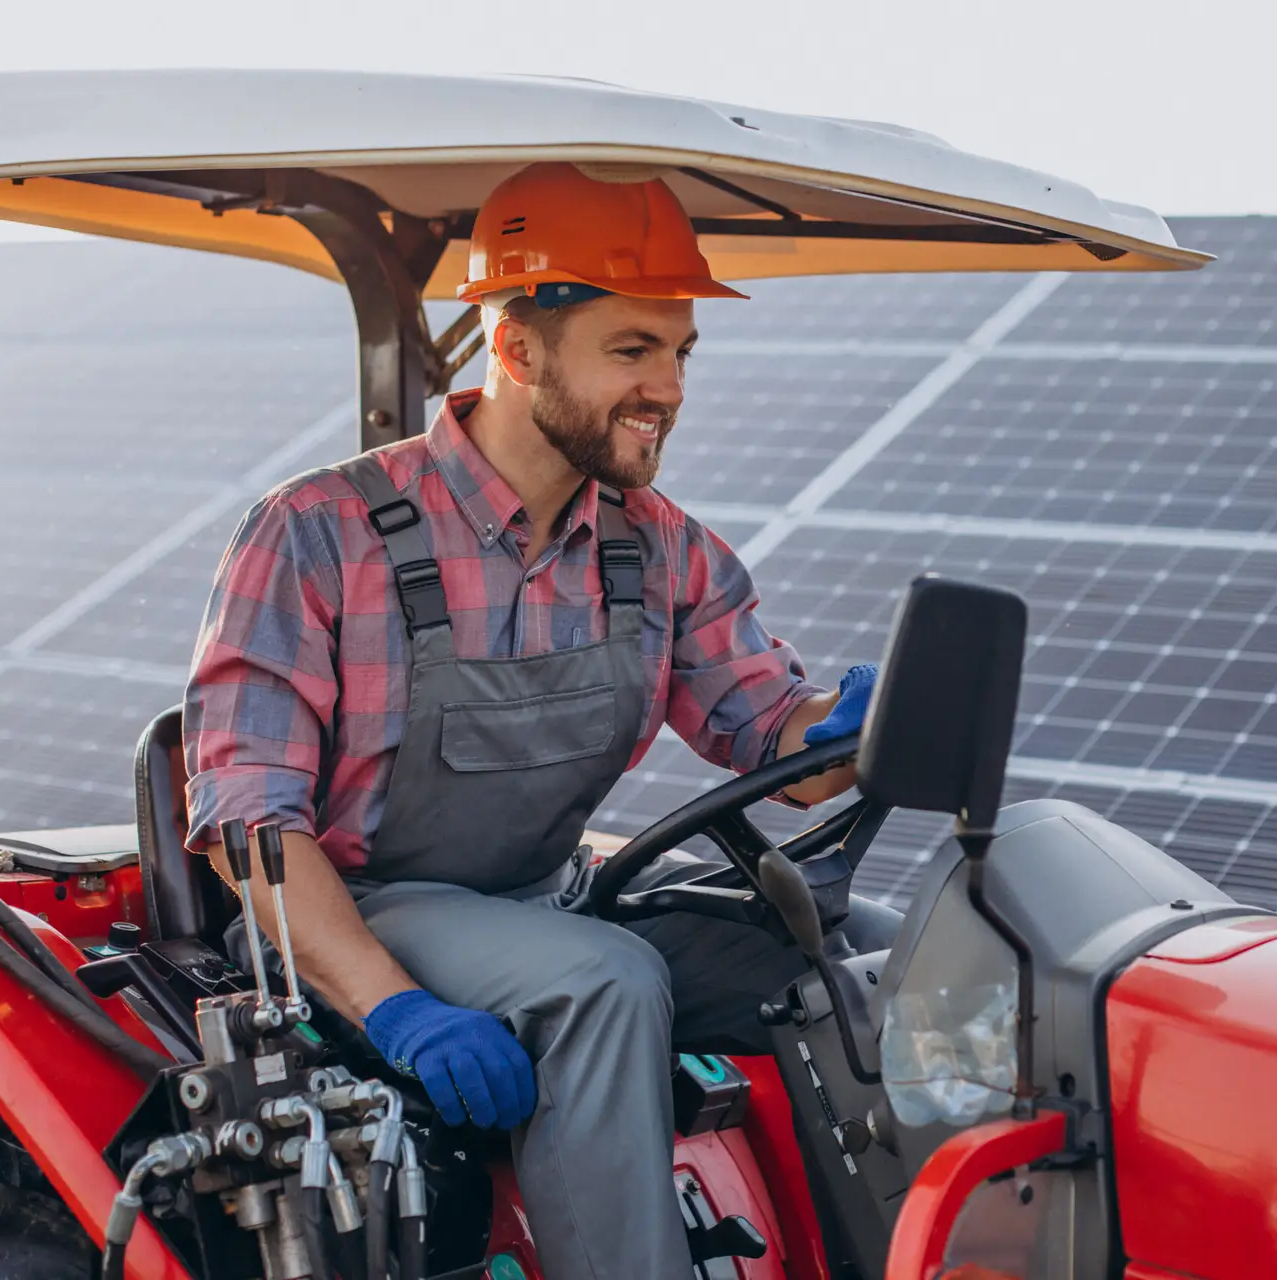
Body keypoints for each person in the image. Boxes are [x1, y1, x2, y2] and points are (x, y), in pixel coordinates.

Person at [182, 162, 900, 1279]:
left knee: (871, 958)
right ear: (516, 351)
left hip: (545, 897)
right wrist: (399, 1007)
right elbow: (250, 830)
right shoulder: (317, 534)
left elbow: (770, 736)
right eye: (632, 350)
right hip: (354, 909)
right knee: (604, 979)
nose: (668, 386)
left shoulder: (657, 547)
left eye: (679, 351)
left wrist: (840, 725)